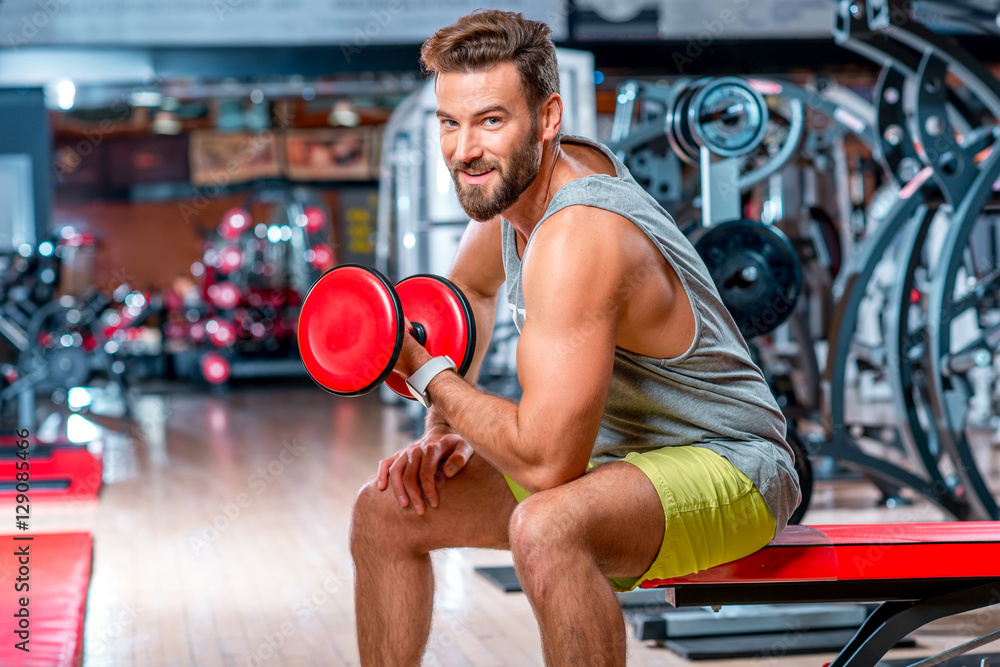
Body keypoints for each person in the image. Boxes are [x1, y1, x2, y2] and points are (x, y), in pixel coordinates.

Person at [350, 9, 801, 666]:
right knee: (387, 508)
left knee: (548, 525)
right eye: (451, 122)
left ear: (549, 117)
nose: (465, 149)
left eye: (492, 120)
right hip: (617, 459)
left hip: (731, 462)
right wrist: (441, 428)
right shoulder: (516, 193)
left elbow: (546, 463)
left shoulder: (578, 234)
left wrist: (426, 373)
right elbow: (466, 294)